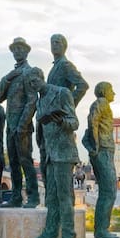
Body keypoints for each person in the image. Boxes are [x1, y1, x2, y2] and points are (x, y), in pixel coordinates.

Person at [26, 72, 79, 238]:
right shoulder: (40, 101)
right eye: (30, 84)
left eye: (34, 81)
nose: (33, 85)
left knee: (64, 196)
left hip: (64, 153)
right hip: (49, 154)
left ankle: (69, 235)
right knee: (51, 197)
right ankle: (50, 233)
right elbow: (41, 131)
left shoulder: (62, 92)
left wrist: (61, 121)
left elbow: (74, 122)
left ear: (42, 78)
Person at [0, 37, 44, 208]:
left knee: (25, 161)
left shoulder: (30, 72)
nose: (17, 52)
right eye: (14, 49)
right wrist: (7, 78)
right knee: (13, 163)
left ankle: (33, 197)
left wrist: (22, 125)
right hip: (11, 127)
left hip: (22, 128)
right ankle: (16, 196)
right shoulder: (12, 75)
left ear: (26, 51)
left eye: (20, 49)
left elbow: (32, 101)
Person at [39, 34, 89, 175]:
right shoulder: (55, 67)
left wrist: (68, 106)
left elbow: (82, 85)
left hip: (60, 120)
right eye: (52, 42)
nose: (54, 45)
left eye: (58, 42)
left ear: (64, 46)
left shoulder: (65, 65)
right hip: (51, 125)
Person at [83, 81, 119, 238]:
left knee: (108, 190)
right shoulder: (101, 102)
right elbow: (93, 121)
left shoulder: (104, 105)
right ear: (104, 91)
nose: (114, 93)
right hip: (103, 151)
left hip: (105, 151)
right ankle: (101, 230)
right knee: (109, 190)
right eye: (111, 89)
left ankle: (102, 229)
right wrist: (96, 146)